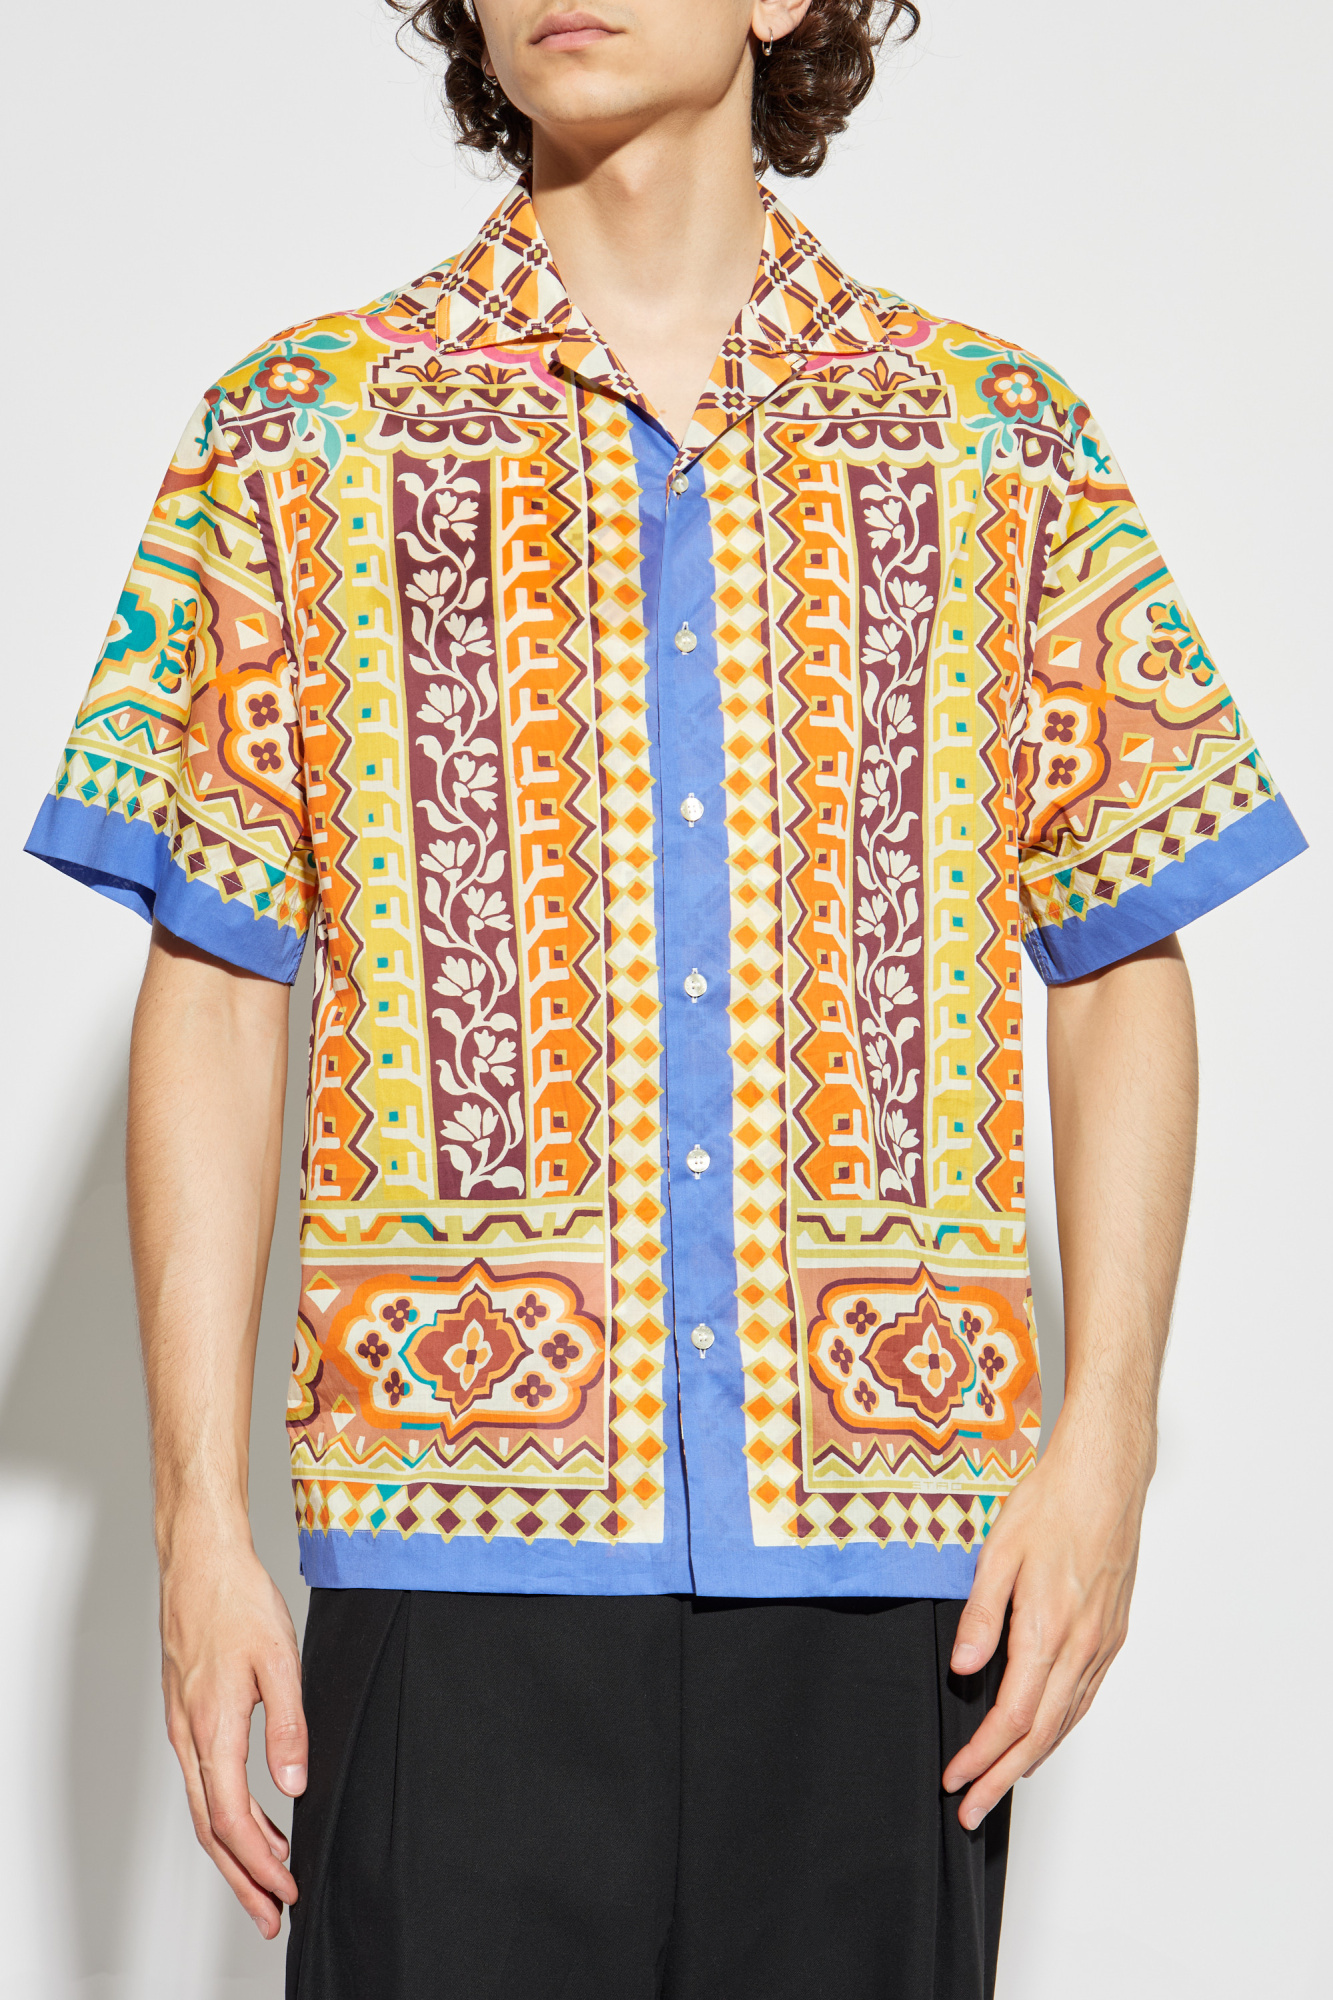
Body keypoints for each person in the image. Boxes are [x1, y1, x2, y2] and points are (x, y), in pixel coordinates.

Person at [23, 2, 1306, 1995]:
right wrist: (198, 1528)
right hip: (450, 1568)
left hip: (888, 1562)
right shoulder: (298, 431)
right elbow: (213, 974)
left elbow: (1121, 945)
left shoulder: (994, 434)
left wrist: (1108, 1442)